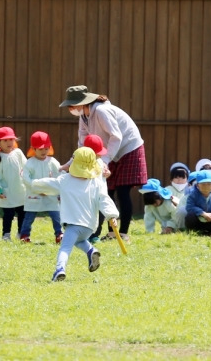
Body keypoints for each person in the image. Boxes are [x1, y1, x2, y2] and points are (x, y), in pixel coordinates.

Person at [59, 85, 147, 242]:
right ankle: (111, 233)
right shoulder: (83, 117)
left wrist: (105, 160)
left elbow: (116, 136)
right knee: (107, 191)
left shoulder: (101, 111)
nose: (70, 109)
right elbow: (83, 144)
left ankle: (123, 233)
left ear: (82, 103)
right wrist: (69, 164)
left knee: (122, 191)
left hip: (129, 148)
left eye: (72, 105)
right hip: (109, 152)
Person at [32, 147, 119, 282]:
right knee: (78, 240)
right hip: (89, 227)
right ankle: (91, 251)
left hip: (73, 224)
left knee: (65, 248)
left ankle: (60, 270)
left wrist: (33, 183)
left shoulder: (65, 180)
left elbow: (47, 184)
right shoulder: (96, 183)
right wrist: (112, 216)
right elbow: (104, 199)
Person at [21, 131, 63, 244]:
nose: (43, 151)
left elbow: (60, 176)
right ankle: (24, 235)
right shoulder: (29, 163)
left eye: (46, 148)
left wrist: (56, 191)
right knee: (29, 216)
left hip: (51, 195)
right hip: (34, 194)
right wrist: (38, 188)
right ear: (33, 149)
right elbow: (25, 179)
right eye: (40, 149)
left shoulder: (53, 162)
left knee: (56, 216)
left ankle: (59, 234)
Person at [0, 126, 27, 241]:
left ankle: (21, 233)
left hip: (20, 190)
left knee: (22, 213)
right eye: (5, 140)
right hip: (7, 192)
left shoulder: (18, 153)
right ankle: (6, 234)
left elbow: (26, 167)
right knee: (8, 214)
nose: (9, 142)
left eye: (11, 139)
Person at [83, 134, 111, 244]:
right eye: (97, 153)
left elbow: (105, 172)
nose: (99, 155)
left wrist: (107, 173)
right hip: (87, 194)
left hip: (100, 193)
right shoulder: (82, 162)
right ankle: (85, 235)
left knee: (100, 215)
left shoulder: (100, 161)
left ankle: (95, 235)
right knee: (87, 215)